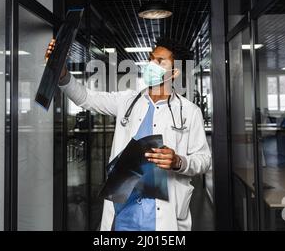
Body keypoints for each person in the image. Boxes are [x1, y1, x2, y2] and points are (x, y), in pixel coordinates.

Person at [45, 37, 211, 231]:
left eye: (159, 61)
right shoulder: (128, 101)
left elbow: (204, 159)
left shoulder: (189, 111)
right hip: (124, 212)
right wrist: (62, 72)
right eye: (150, 58)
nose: (151, 64)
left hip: (164, 218)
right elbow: (86, 98)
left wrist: (179, 162)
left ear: (173, 72)